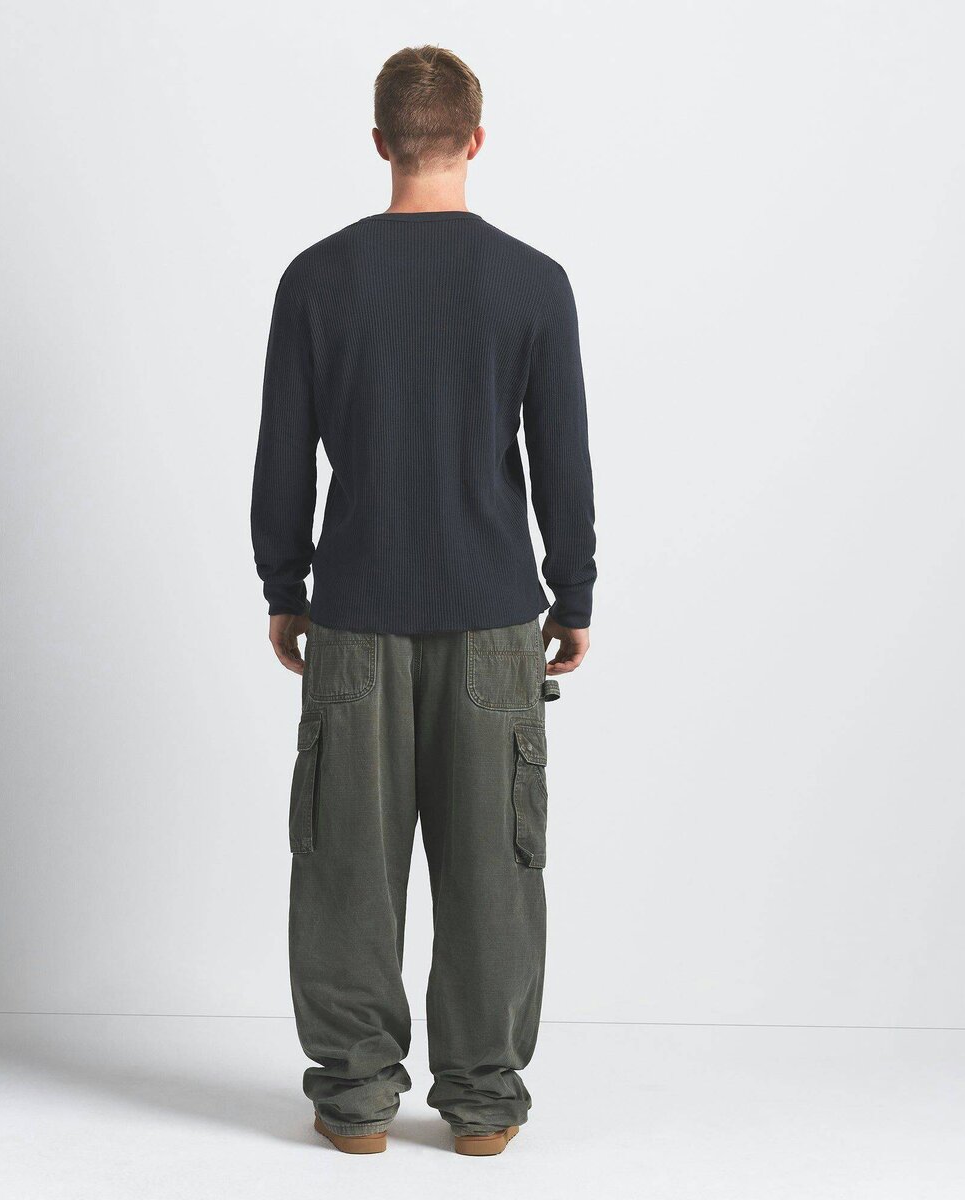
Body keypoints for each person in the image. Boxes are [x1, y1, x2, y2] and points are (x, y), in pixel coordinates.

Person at [250, 44, 595, 1157]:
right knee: (496, 869)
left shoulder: (317, 279)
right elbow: (562, 459)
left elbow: (283, 454)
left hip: (354, 613)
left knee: (346, 868)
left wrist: (284, 584)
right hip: (496, 618)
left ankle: (355, 1100)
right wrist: (574, 590)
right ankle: (484, 1102)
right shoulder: (533, 282)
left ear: (380, 142)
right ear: (476, 139)